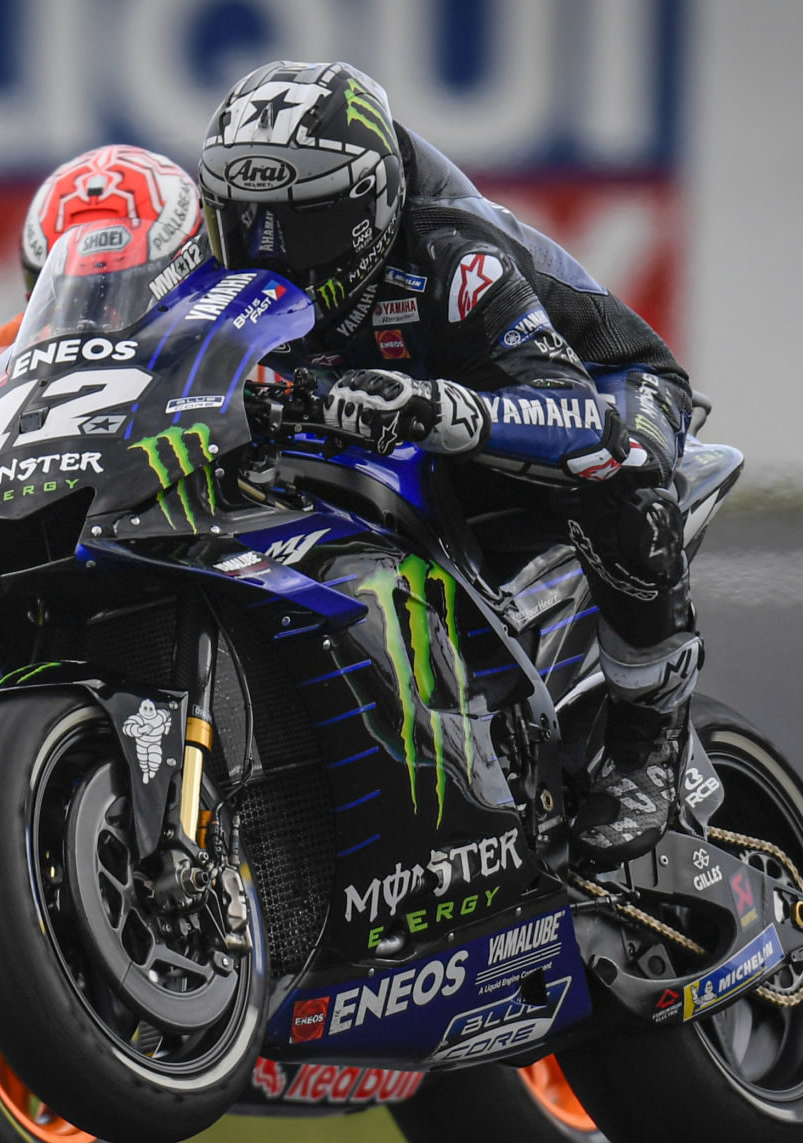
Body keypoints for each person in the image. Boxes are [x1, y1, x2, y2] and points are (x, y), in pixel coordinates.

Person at [197, 61, 699, 859]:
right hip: (427, 428)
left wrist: (434, 405)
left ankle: (647, 739)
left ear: (370, 208)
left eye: (303, 226)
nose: (272, 252)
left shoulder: (452, 256)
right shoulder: (213, 263)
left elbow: (576, 415)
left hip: (599, 385)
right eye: (246, 222)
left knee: (622, 468)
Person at [0, 144, 206, 377]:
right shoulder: (6, 344)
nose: (93, 312)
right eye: (71, 292)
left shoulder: (219, 326)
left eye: (115, 288)